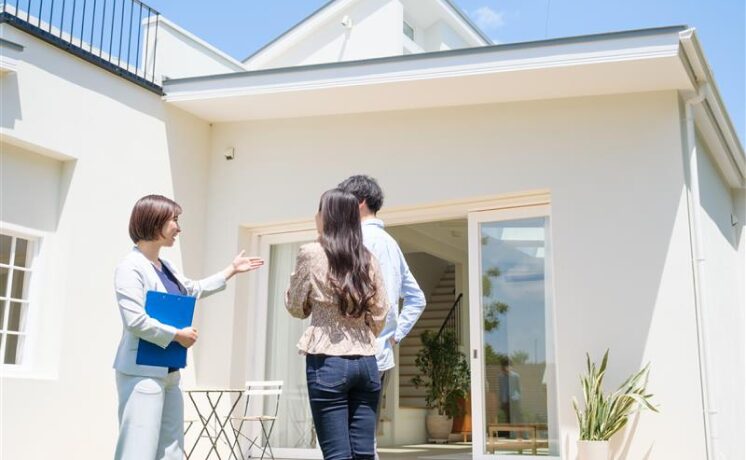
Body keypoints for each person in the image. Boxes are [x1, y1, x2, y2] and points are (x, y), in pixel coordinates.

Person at [113, 194, 264, 460]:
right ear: (154, 221)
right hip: (141, 374)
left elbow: (191, 289)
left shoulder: (165, 266)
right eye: (174, 220)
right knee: (138, 449)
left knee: (171, 451)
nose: (178, 228)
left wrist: (231, 270)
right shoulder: (130, 267)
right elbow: (135, 320)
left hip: (169, 372)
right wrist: (176, 335)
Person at [286, 188, 389, 460]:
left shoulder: (311, 252)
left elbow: (296, 306)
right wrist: (362, 333)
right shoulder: (367, 257)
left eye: (319, 210)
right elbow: (381, 310)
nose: (315, 215)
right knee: (364, 453)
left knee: (337, 455)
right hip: (366, 362)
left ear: (328, 216)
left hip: (328, 361)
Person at [338, 175, 426, 448]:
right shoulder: (391, 244)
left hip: (349, 355)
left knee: (344, 442)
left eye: (345, 201)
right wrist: (394, 335)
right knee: (365, 441)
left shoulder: (353, 241)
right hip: (380, 357)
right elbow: (417, 298)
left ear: (360, 202)